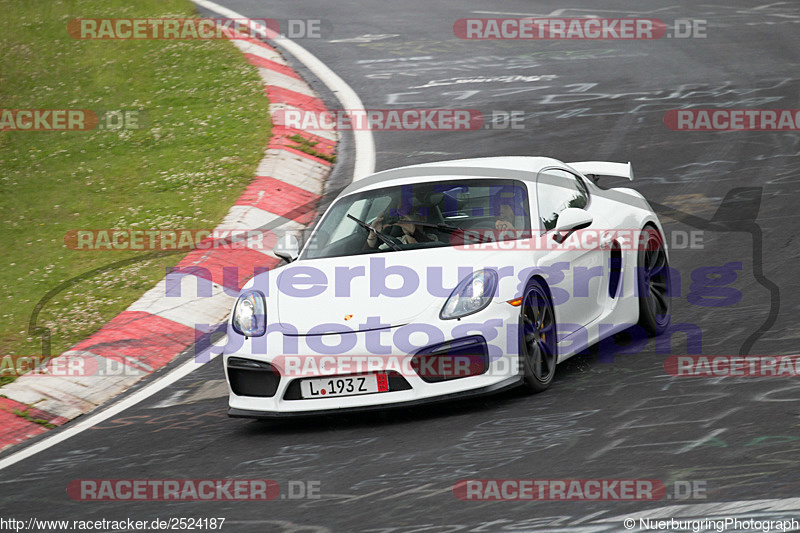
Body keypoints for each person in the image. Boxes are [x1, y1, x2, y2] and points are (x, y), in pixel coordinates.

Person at [366, 211, 436, 248]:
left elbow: (435, 251)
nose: (404, 218)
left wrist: (414, 232)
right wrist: (373, 234)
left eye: (409, 214)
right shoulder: (394, 243)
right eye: (401, 216)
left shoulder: (432, 238)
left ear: (423, 218)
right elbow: (368, 256)